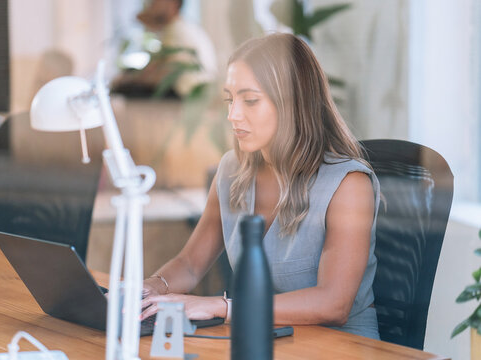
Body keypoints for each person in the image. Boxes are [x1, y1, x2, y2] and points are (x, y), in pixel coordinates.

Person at [140, 32, 381, 339]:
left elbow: (333, 304)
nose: (233, 115)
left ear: (293, 102)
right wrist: (149, 291)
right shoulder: (232, 170)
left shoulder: (348, 185)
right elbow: (189, 265)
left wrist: (222, 307)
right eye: (230, 99)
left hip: (341, 346)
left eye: (250, 100)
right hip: (268, 338)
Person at [112, 0, 217, 97]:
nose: (152, 4)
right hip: (193, 91)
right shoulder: (183, 27)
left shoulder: (176, 31)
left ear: (173, 3)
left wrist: (127, 80)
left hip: (184, 94)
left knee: (125, 89)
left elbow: (162, 74)